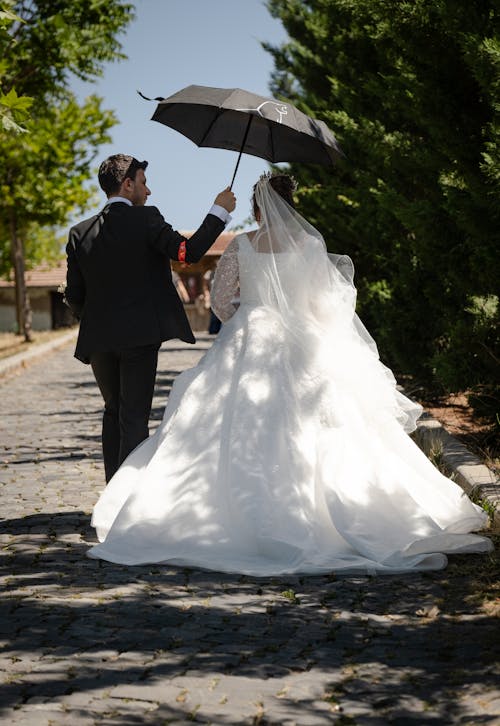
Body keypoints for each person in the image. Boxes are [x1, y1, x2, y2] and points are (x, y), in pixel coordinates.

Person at [87, 172, 492, 575]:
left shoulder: (242, 244)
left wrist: (246, 318)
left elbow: (222, 303)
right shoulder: (310, 244)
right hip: (305, 338)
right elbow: (324, 302)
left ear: (256, 209)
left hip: (251, 334)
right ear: (290, 204)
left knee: (226, 421)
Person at [65, 154, 236, 483]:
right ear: (128, 185)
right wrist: (219, 211)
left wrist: (95, 319)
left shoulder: (79, 232)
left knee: (113, 411)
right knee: (133, 417)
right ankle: (125, 504)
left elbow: (74, 293)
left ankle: (111, 493)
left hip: (99, 339)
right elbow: (187, 253)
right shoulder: (147, 220)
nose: (149, 191)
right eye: (144, 183)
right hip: (140, 337)